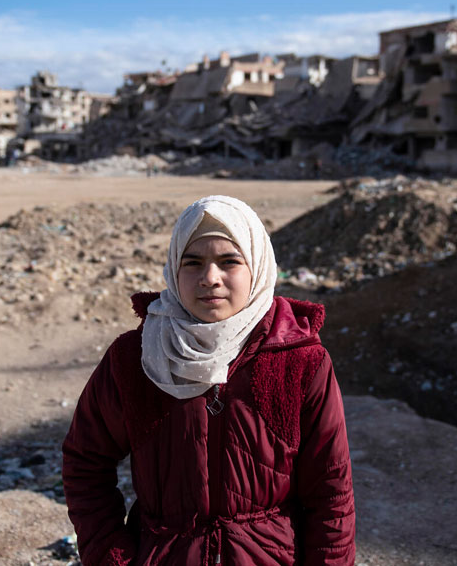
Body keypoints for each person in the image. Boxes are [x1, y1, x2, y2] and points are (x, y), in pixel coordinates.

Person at [62, 195, 355, 565]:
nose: (209, 279)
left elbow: (331, 492)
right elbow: (85, 461)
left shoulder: (298, 360)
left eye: (229, 261)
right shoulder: (135, 357)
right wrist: (111, 557)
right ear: (173, 268)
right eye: (193, 262)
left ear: (257, 267)